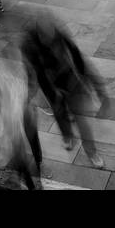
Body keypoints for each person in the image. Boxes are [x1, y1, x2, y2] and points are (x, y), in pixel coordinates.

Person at [20, 14, 106, 167]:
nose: (51, 41)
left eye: (53, 37)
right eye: (47, 38)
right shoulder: (29, 47)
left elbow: (77, 56)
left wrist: (91, 84)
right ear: (39, 35)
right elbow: (35, 73)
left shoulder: (59, 36)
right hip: (51, 85)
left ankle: (91, 152)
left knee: (81, 120)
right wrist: (34, 94)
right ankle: (68, 136)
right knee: (60, 113)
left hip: (71, 80)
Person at [0, 58, 41, 189]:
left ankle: (37, 162)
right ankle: (26, 180)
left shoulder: (22, 69)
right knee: (19, 154)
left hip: (25, 115)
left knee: (32, 140)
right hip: (11, 124)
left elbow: (32, 85)